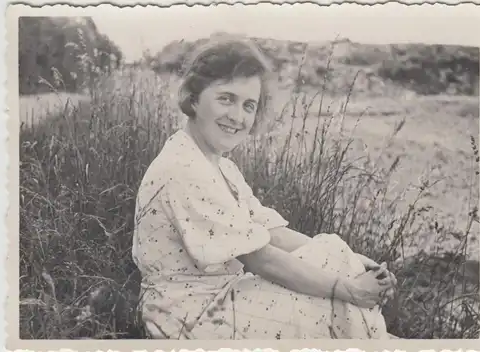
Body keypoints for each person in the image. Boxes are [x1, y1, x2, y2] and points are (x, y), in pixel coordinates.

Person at [131, 35, 397, 340]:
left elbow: (272, 233)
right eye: (226, 98)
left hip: (219, 298)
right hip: (189, 319)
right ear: (193, 98)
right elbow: (261, 258)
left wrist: (353, 260)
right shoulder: (184, 168)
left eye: (248, 106)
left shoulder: (219, 166)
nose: (237, 116)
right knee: (339, 303)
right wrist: (349, 288)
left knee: (335, 259)